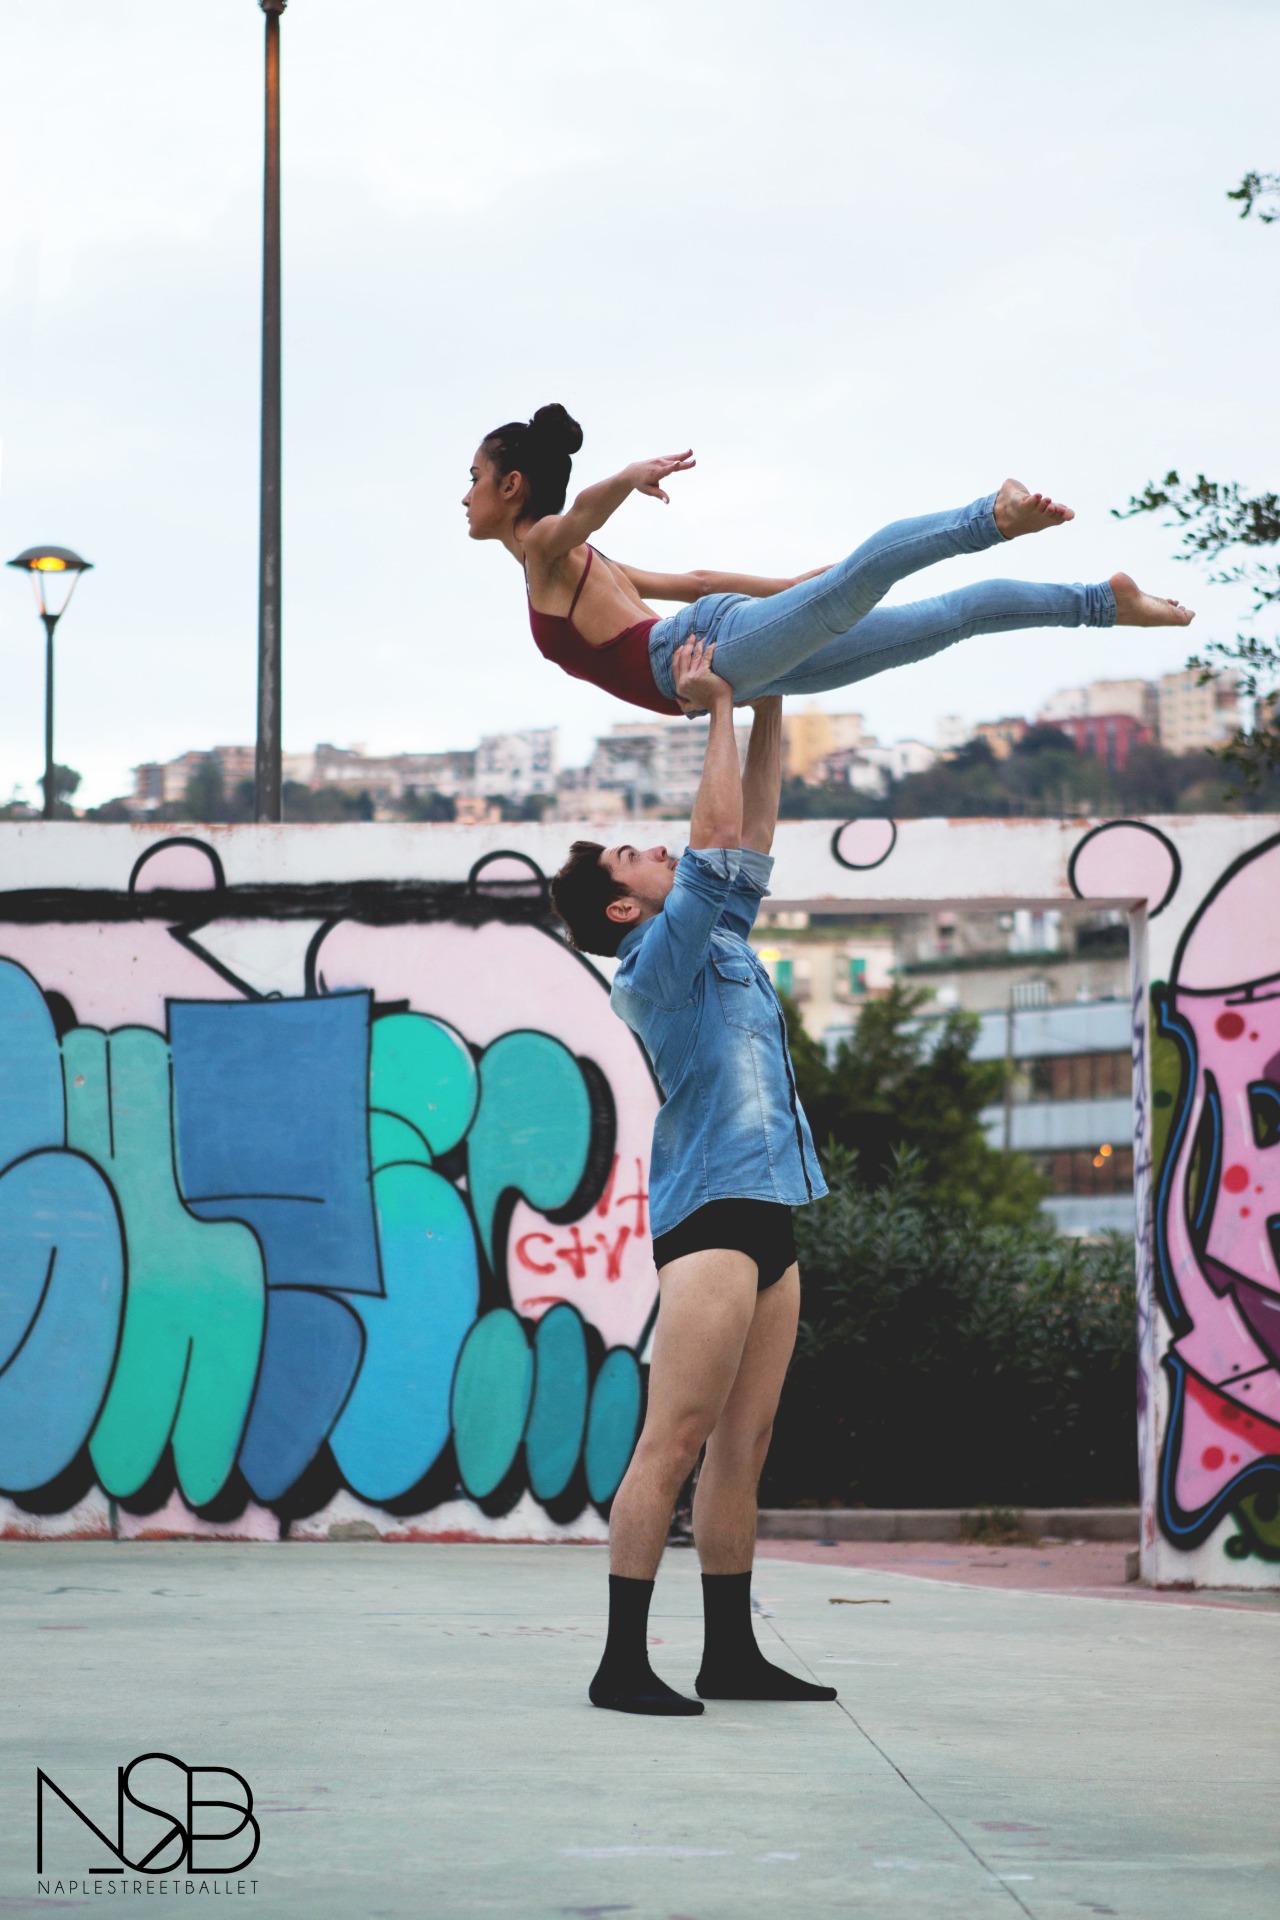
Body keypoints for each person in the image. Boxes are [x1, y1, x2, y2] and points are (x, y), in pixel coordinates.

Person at [550, 637, 836, 1717]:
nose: (657, 849)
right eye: (634, 857)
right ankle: (621, 1665)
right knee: (670, 1442)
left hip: (771, 1208)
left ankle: (731, 1657)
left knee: (742, 1448)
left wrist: (768, 703)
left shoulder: (716, 941)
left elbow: (746, 836)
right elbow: (714, 843)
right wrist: (716, 705)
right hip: (710, 1217)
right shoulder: (654, 965)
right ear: (623, 911)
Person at [463, 404, 1195, 719]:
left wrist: (627, 478)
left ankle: (991, 517)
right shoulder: (575, 560)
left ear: (512, 485)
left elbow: (583, 514)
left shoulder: (544, 548)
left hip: (702, 654)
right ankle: (1103, 601)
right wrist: (788, 588)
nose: (465, 497)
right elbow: (693, 582)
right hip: (738, 663)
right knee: (946, 622)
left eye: (474, 479)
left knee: (863, 581)